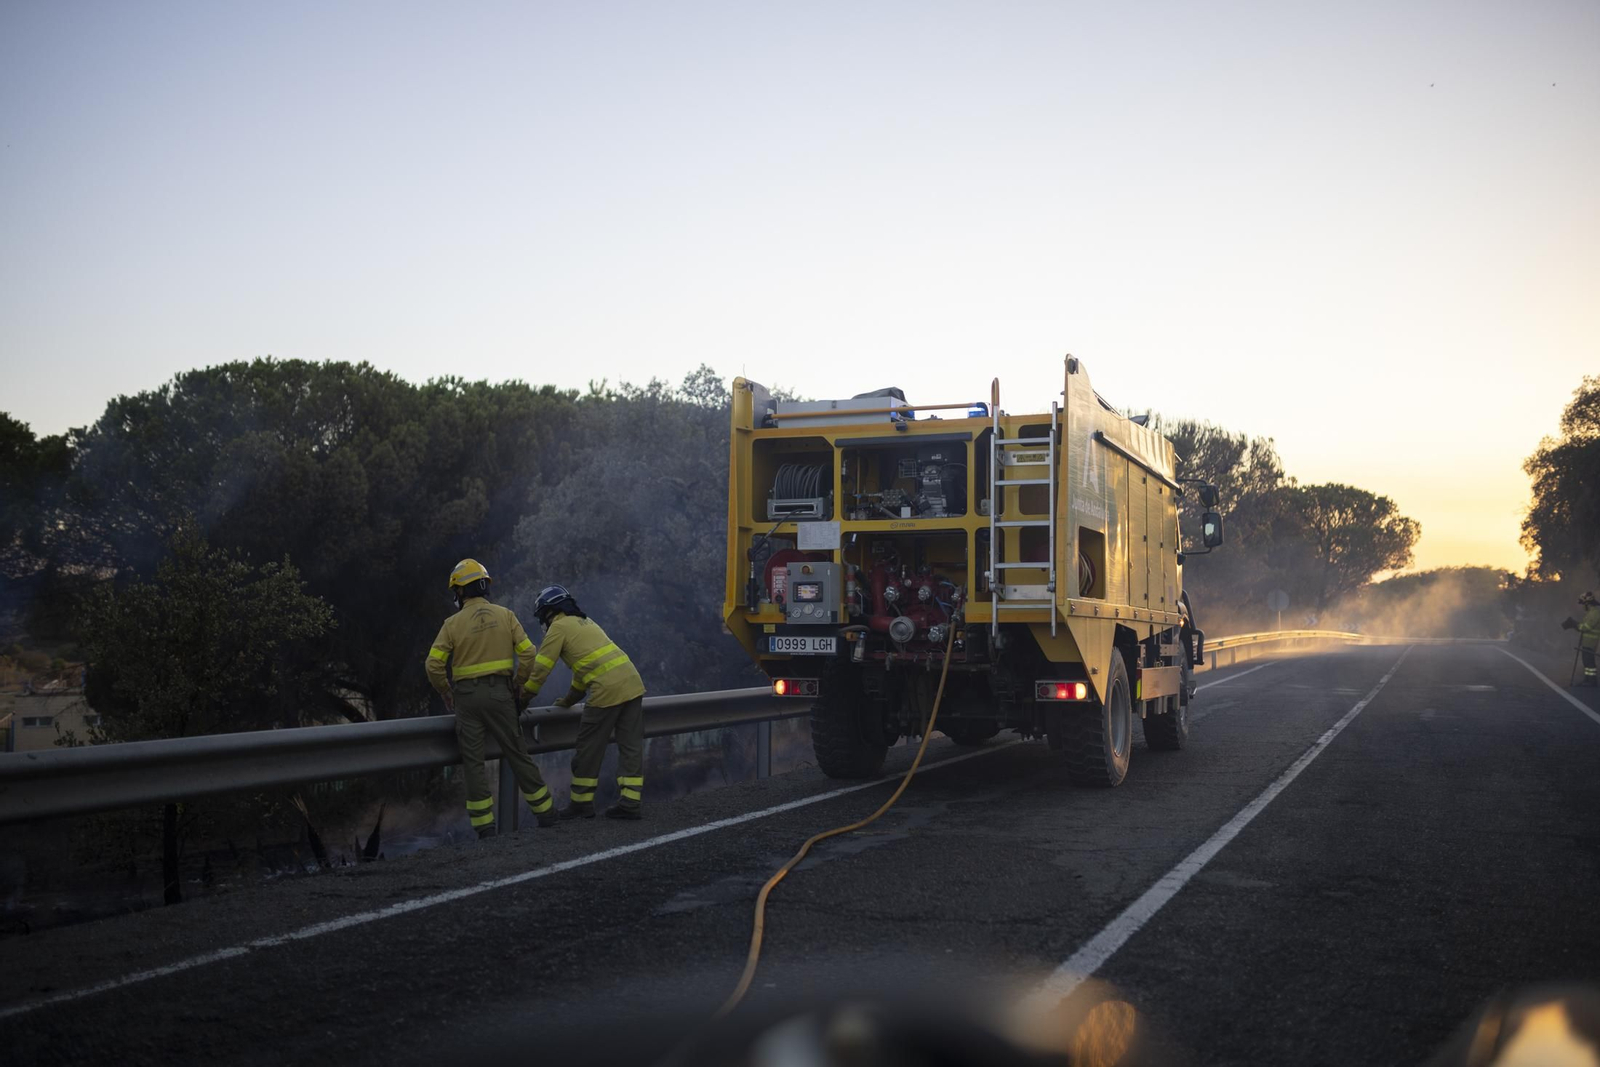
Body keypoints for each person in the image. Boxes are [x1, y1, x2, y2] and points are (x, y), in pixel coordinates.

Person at [425, 559, 556, 838]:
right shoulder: (506, 615)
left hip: (467, 700)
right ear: (484, 586)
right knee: (518, 754)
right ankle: (546, 814)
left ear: (460, 591)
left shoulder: (452, 623)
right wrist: (518, 685)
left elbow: (433, 664)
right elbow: (530, 654)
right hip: (501, 694)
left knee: (473, 763)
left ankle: (485, 828)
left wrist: (446, 692)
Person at [520, 585, 647, 820]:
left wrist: (523, 698)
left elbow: (540, 670)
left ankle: (581, 803)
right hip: (632, 683)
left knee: (588, 749)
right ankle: (630, 802)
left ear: (548, 611)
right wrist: (569, 700)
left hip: (607, 691)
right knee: (630, 746)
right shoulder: (586, 622)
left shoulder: (558, 628)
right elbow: (584, 670)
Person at [1566, 591, 1600, 687]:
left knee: (1589, 662)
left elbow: (1586, 627)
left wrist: (1575, 625)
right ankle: (1587, 679)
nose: (1582, 606)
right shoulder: (1591, 612)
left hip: (1591, 642)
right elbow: (1583, 626)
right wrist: (1576, 625)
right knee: (1586, 661)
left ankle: (1592, 681)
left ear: (1587, 603)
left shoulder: (1595, 613)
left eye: (1582, 603)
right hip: (1586, 642)